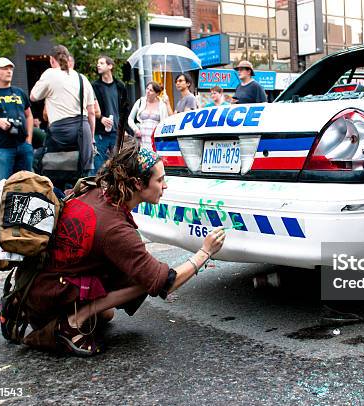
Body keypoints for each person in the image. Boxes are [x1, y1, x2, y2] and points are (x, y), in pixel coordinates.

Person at [21, 141, 226, 356]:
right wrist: (206, 252)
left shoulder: (97, 192)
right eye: (160, 180)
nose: (164, 186)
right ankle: (70, 323)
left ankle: (56, 310)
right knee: (145, 280)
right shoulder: (115, 229)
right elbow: (166, 282)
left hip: (36, 285)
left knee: (107, 314)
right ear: (138, 183)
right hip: (47, 297)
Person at [30, 45, 96, 189]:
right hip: (83, 130)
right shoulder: (82, 78)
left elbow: (33, 96)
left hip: (61, 131)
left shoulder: (50, 73)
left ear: (52, 60)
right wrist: (91, 138)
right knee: (82, 178)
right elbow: (91, 112)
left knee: (54, 174)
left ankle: (59, 205)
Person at [91, 55, 130, 172]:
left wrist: (124, 128)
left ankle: (115, 189)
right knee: (98, 166)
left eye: (102, 63)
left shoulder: (120, 86)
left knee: (118, 165)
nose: (98, 65)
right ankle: (98, 189)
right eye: (98, 63)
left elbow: (124, 110)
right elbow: (91, 108)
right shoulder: (94, 86)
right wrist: (101, 118)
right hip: (100, 132)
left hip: (117, 133)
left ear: (110, 66)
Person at [127, 81, 171, 151]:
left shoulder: (162, 105)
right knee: (142, 160)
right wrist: (136, 129)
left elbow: (165, 123)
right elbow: (130, 119)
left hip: (155, 140)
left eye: (151, 90)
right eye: (147, 89)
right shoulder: (140, 102)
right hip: (141, 140)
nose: (148, 91)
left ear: (157, 93)